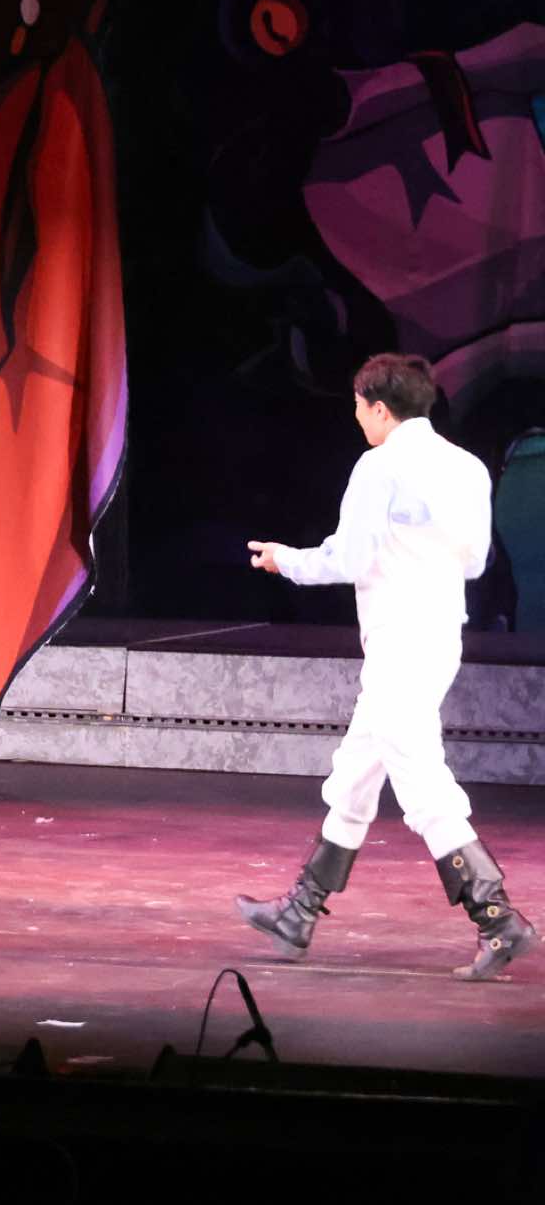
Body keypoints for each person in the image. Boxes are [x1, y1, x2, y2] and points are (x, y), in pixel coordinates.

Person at [240, 352, 535, 980]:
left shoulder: (379, 467)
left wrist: (284, 560)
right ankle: (299, 912)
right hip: (438, 638)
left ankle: (498, 919)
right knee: (355, 774)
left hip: (401, 642)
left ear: (379, 407)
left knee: (423, 786)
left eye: (358, 406)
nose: (356, 418)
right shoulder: (467, 467)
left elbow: (345, 559)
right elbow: (475, 561)